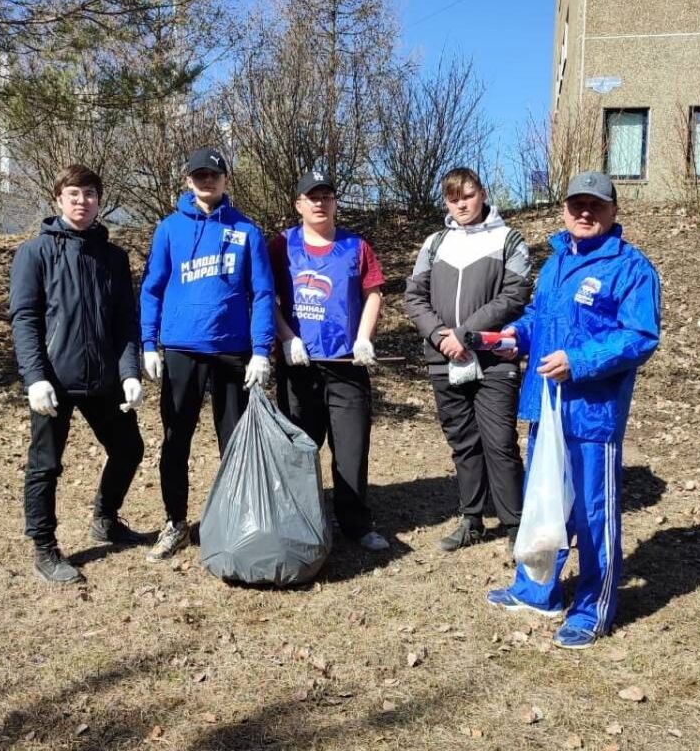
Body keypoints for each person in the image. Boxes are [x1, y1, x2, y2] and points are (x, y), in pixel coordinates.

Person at [485, 171, 661, 650]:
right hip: (547, 407)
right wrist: (514, 338)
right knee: (544, 503)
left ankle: (592, 609)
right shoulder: (557, 262)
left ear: (613, 211)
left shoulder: (631, 268)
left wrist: (579, 362)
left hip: (593, 414)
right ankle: (535, 589)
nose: (585, 213)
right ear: (564, 209)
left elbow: (639, 336)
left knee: (592, 514)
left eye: (596, 206)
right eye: (577, 205)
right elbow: (541, 318)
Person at [9, 164, 146, 585]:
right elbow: (25, 318)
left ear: (99, 201)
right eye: (73, 193)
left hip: (104, 377)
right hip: (55, 380)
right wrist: (35, 378)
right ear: (58, 200)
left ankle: (105, 519)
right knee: (45, 466)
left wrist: (129, 372)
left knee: (129, 449)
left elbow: (125, 320)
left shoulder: (113, 257)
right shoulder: (35, 252)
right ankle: (45, 547)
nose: (82, 201)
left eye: (89, 193)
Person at [140, 148, 276, 561]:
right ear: (187, 181)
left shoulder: (247, 231)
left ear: (225, 179)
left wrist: (261, 351)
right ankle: (175, 522)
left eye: (213, 175)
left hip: (233, 353)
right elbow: (152, 287)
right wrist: (149, 343)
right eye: (199, 176)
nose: (206, 181)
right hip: (182, 350)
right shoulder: (169, 230)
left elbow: (264, 292)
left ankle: (234, 522)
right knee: (175, 440)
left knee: (234, 443)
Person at [404, 168, 532, 553]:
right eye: (452, 198)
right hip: (444, 358)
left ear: (482, 194)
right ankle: (471, 519)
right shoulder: (435, 242)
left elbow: (514, 295)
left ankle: (515, 525)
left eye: (468, 195)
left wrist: (466, 336)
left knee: (500, 443)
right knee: (462, 441)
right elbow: (414, 296)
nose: (461, 204)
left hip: (493, 357)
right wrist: (440, 335)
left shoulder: (509, 240)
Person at [270, 170, 389, 552]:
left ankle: (355, 523)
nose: (320, 203)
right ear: (299, 205)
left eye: (327, 196)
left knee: (351, 451)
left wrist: (364, 339)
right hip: (300, 367)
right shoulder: (281, 245)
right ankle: (299, 520)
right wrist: (286, 338)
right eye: (312, 197)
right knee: (299, 449)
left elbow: (374, 292)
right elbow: (263, 297)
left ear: (335, 203)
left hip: (346, 367)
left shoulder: (356, 246)